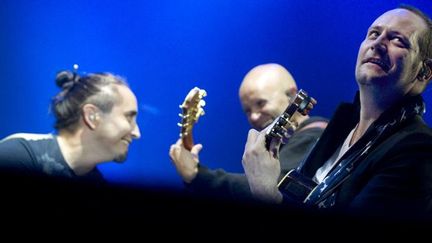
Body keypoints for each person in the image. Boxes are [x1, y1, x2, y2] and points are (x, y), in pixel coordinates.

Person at [242, 5, 432, 216]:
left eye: (397, 40)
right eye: (374, 34)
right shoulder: (341, 127)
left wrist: (265, 192)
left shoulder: (418, 149)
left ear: (424, 72)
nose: (378, 44)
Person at [169, 63, 328, 200]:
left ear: (292, 95)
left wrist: (198, 175)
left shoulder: (316, 135)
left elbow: (266, 187)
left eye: (261, 103)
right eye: (247, 110)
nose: (254, 116)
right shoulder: (284, 143)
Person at [0, 67, 141, 184]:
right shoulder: (20, 156)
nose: (137, 133)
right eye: (129, 117)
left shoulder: (97, 184)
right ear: (92, 116)